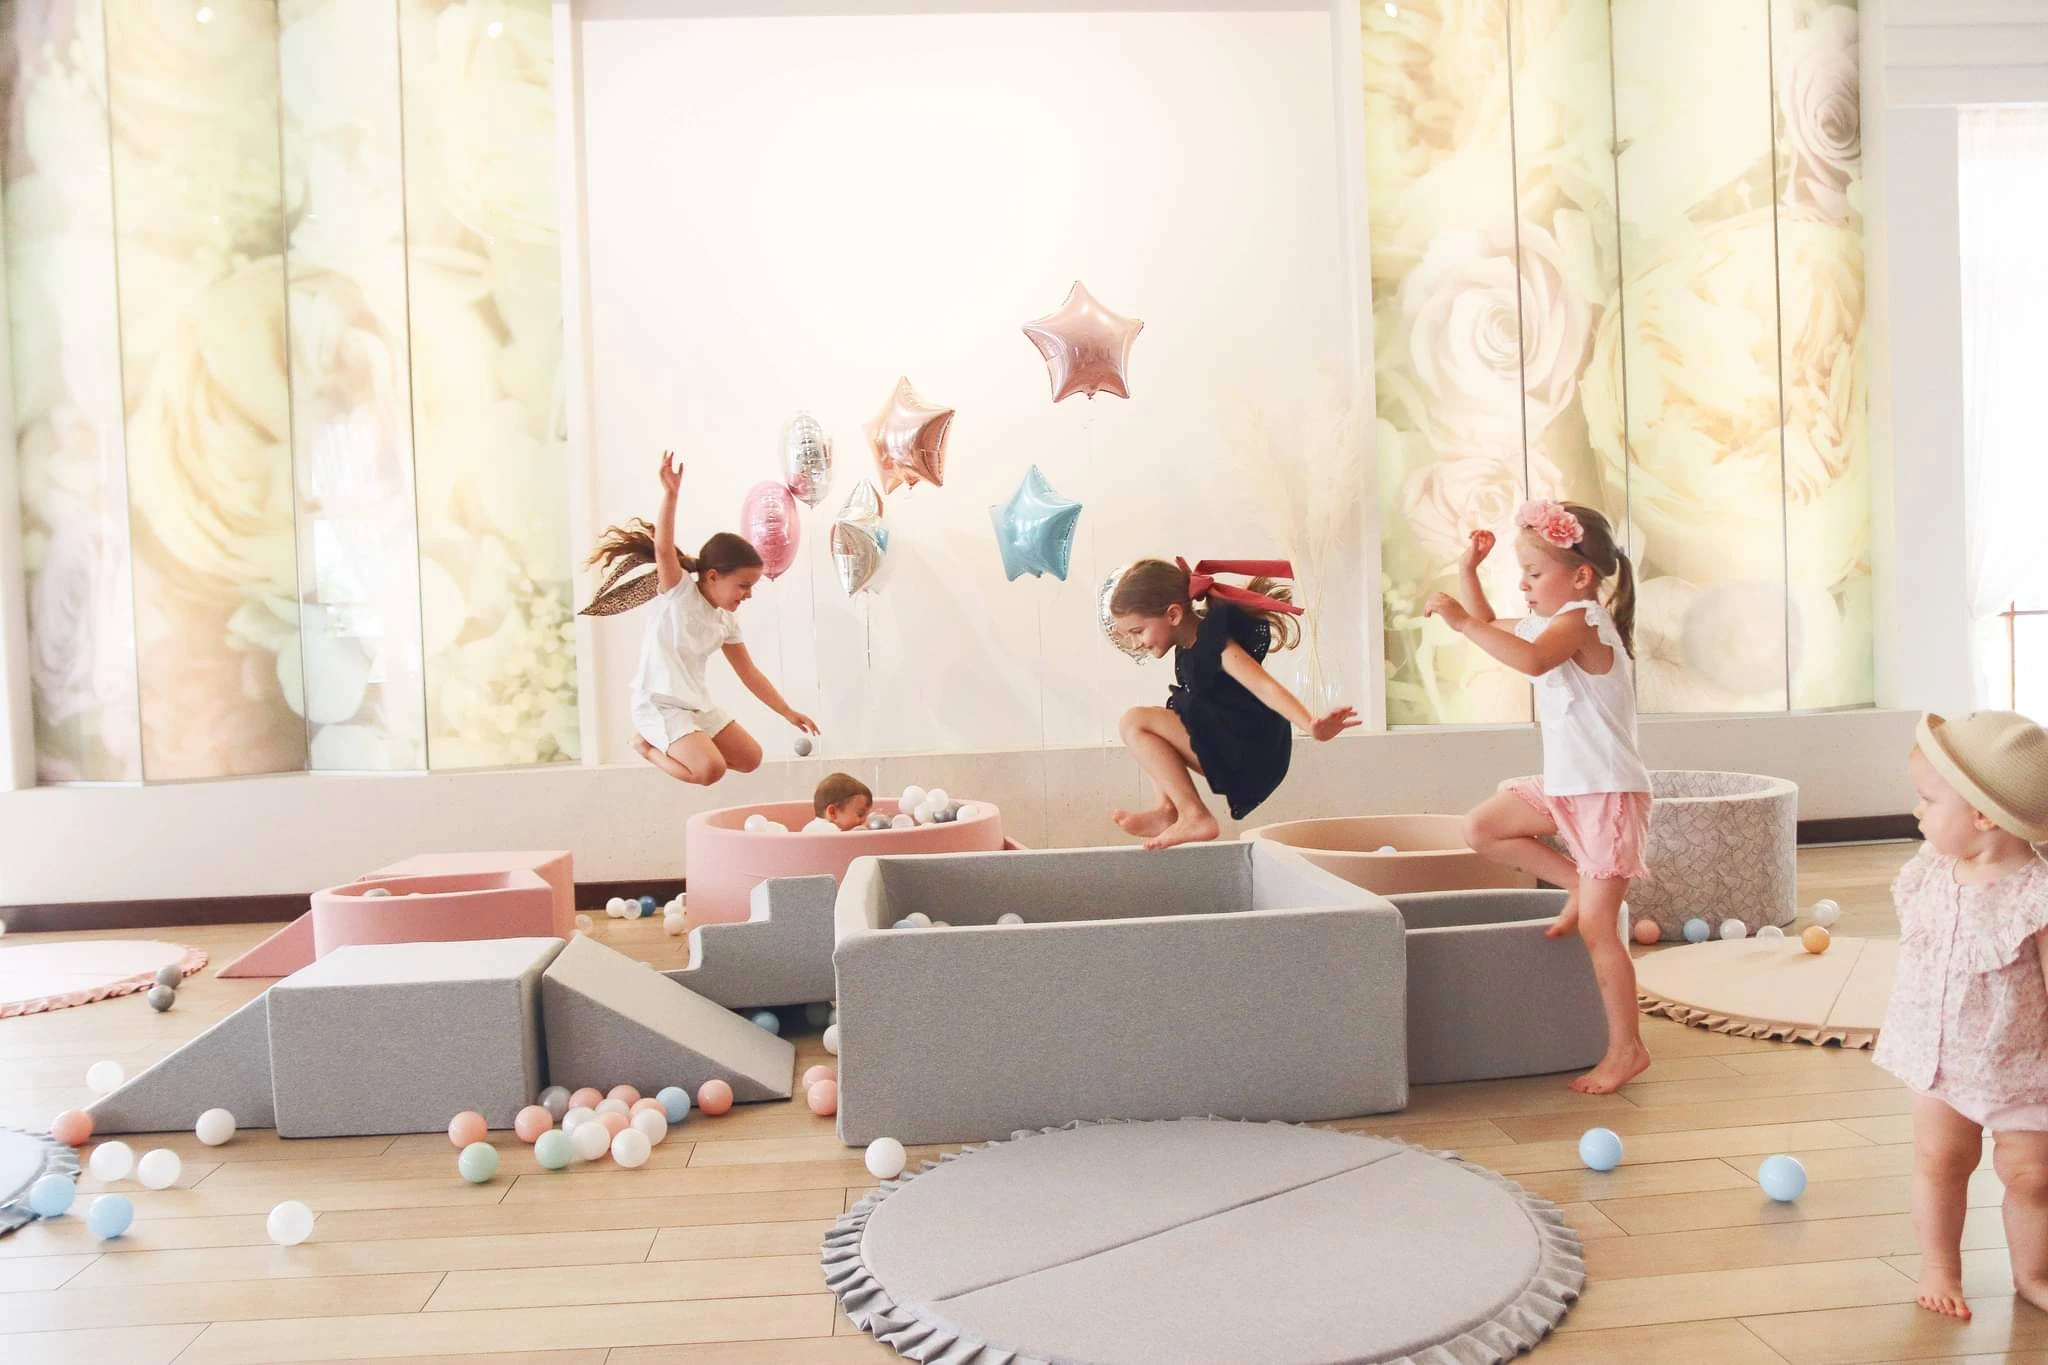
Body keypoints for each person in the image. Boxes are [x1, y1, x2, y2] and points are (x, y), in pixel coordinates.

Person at [1424, 500, 1651, 1094]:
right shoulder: (1557, 623)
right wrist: (1468, 573)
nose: (1523, 585)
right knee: (1483, 828)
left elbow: (1526, 660)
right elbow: (1494, 628)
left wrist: (1460, 622)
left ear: (1580, 577)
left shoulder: (1583, 621)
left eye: (1534, 573)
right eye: (1521, 573)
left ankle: (1628, 1049)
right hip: (1569, 786)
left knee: (1599, 929)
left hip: (1604, 792)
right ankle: (1577, 884)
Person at [1874, 710, 2048, 1321]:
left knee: (2032, 1176)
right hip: (1938, 1057)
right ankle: (1940, 1266)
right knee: (1940, 1159)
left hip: (2020, 1067)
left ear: (1983, 817)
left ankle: (2033, 1273)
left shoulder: (2037, 895)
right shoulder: (1929, 871)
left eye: (1928, 800)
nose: (1916, 810)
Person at [586, 452, 817, 785]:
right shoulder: (679, 593)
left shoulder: (726, 622)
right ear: (712, 576)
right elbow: (663, 549)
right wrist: (671, 495)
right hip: (660, 704)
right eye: (743, 586)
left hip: (696, 705)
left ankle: (688, 743)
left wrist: (787, 711)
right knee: (710, 770)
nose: (748, 595)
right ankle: (646, 746)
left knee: (751, 758)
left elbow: (750, 673)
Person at [1106, 557, 1358, 850]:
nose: (1137, 643)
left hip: (1251, 753)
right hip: (1233, 746)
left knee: (1134, 721)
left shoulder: (1216, 644)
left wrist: (1311, 725)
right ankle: (1168, 810)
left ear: (1173, 614)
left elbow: (1264, 686)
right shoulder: (1188, 648)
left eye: (1138, 631)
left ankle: (1194, 815)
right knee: (1152, 721)